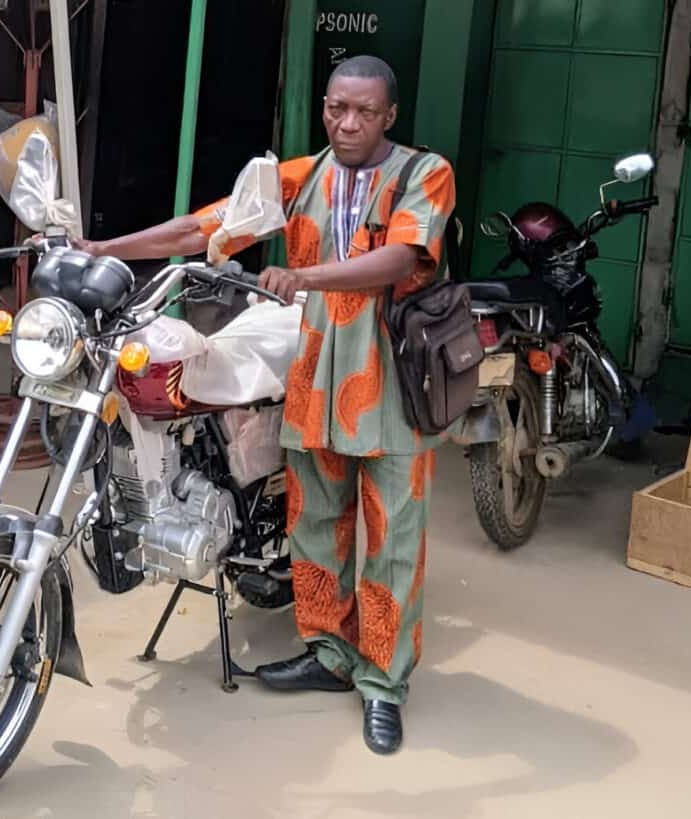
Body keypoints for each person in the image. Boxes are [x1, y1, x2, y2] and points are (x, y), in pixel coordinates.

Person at [76, 55, 456, 755]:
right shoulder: (298, 178)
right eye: (337, 107)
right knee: (315, 525)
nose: (346, 122)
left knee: (393, 540)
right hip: (315, 377)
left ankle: (383, 682)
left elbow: (401, 260)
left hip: (390, 381)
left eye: (364, 112)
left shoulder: (421, 175)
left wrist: (302, 273)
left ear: (390, 116)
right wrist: (108, 247)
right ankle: (328, 653)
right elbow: (203, 229)